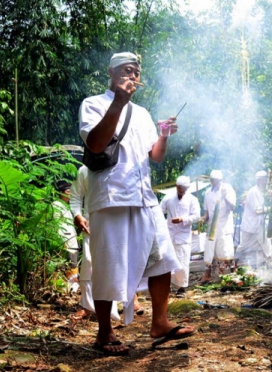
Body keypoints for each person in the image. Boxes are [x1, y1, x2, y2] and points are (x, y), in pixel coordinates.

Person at [79, 52, 194, 355]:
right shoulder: (93, 104)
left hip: (144, 197)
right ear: (111, 72)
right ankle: (105, 333)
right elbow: (95, 144)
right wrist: (118, 102)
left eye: (136, 72)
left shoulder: (141, 113)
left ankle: (160, 322)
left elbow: (154, 156)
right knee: (108, 264)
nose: (132, 76)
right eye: (126, 71)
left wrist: (164, 136)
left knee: (162, 258)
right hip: (111, 197)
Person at [69, 166, 122, 320]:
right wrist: (77, 215)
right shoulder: (85, 169)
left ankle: (115, 307)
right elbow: (76, 195)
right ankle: (87, 306)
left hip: (115, 222)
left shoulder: (117, 164)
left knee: (113, 264)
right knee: (88, 262)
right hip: (90, 223)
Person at [160, 176, 201, 297]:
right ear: (176, 186)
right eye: (179, 187)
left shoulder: (192, 199)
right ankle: (167, 286)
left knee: (182, 260)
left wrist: (183, 219)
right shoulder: (168, 198)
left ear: (187, 188)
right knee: (167, 260)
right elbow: (158, 211)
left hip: (183, 235)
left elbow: (197, 216)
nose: (181, 190)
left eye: (183, 188)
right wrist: (162, 224)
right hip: (169, 234)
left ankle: (182, 287)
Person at [201, 170, 237, 283]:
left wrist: (225, 197)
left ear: (220, 180)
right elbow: (206, 212)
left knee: (226, 252)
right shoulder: (207, 192)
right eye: (212, 180)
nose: (213, 183)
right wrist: (203, 218)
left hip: (224, 227)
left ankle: (231, 276)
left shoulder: (227, 188)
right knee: (209, 252)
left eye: (216, 181)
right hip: (212, 228)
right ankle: (208, 275)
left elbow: (232, 207)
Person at [235, 171, 272, 269]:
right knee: (243, 247)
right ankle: (233, 265)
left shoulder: (260, 191)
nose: (266, 182)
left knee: (265, 246)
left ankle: (267, 267)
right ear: (260, 180)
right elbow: (257, 210)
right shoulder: (254, 191)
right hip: (250, 225)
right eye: (265, 180)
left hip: (259, 225)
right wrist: (271, 209)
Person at [52, 181, 80, 288]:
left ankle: (71, 287)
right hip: (66, 242)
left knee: (73, 264)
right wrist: (61, 241)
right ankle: (69, 287)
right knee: (69, 264)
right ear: (61, 192)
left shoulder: (66, 206)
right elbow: (56, 225)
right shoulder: (56, 205)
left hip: (72, 241)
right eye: (69, 191)